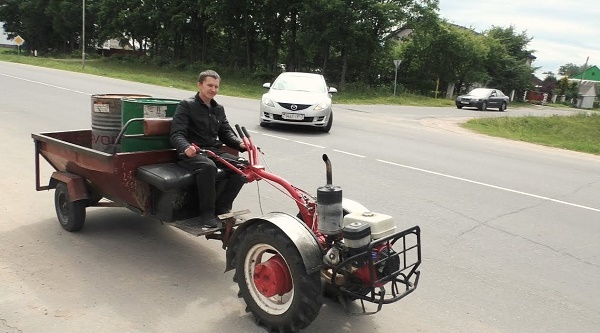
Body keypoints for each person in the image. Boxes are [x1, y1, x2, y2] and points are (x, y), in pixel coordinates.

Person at [170, 70, 247, 228]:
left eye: (216, 86)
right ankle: (207, 213)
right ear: (200, 85)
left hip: (212, 150)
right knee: (208, 167)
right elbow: (176, 134)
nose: (213, 89)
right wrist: (186, 147)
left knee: (242, 167)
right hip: (192, 153)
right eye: (209, 85)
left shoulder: (218, 108)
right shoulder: (187, 105)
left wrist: (240, 144)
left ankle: (223, 207)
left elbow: (226, 132)